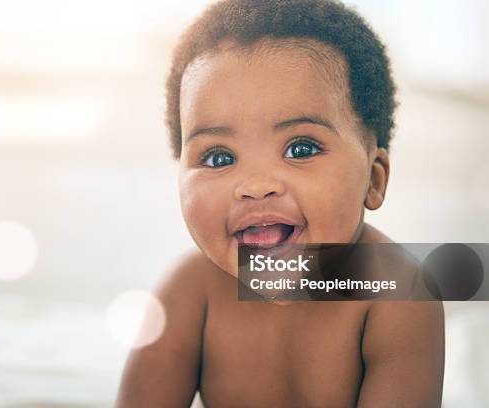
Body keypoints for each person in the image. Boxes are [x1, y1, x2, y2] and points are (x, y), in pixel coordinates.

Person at [117, 0, 444, 406]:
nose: (255, 186)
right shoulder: (188, 291)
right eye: (219, 157)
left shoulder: (399, 295)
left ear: (373, 180)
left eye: (301, 148)